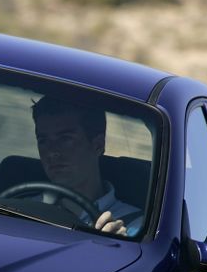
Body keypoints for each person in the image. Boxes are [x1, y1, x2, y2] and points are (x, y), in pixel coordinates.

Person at [32, 94, 141, 235]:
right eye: (43, 141)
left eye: (65, 139)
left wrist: (120, 248)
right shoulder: (19, 208)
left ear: (97, 145)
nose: (52, 152)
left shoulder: (134, 226)